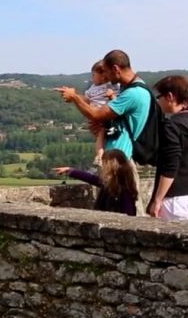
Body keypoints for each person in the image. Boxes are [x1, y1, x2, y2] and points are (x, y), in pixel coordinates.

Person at [55, 49, 152, 214]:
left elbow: (96, 113)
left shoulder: (132, 94)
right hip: (117, 157)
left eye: (107, 73)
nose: (106, 79)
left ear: (116, 69)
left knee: (123, 207)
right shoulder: (133, 90)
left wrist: (75, 98)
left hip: (120, 159)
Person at [147, 75, 188, 220]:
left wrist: (157, 200)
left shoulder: (171, 125)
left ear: (170, 96)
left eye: (160, 97)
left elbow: (171, 165)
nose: (158, 101)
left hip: (175, 199)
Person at [53, 149, 137, 216]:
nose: (103, 166)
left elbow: (128, 216)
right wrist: (70, 171)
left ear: (113, 166)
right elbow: (91, 178)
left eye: (105, 163)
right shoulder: (110, 184)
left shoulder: (125, 191)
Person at [84, 60, 120, 168]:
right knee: (100, 135)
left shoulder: (113, 86)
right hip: (96, 115)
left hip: (107, 114)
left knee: (103, 134)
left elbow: (118, 102)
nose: (92, 78)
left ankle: (101, 156)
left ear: (103, 76)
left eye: (94, 75)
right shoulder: (92, 88)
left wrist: (112, 96)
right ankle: (99, 156)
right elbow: (86, 100)